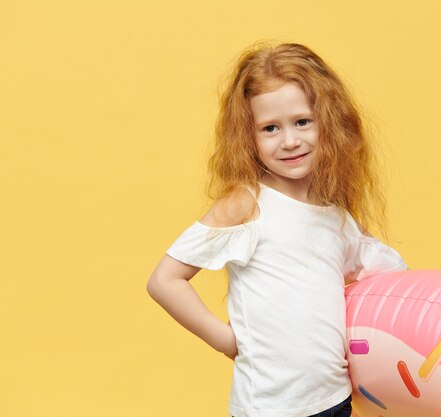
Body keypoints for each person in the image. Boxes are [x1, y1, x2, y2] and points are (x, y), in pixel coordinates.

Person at [147, 42, 407, 417]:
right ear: (248, 137)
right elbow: (165, 280)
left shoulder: (334, 215)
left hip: (335, 399)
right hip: (270, 407)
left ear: (329, 123)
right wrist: (225, 340)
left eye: (303, 122)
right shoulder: (248, 204)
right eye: (270, 128)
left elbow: (390, 274)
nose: (289, 140)